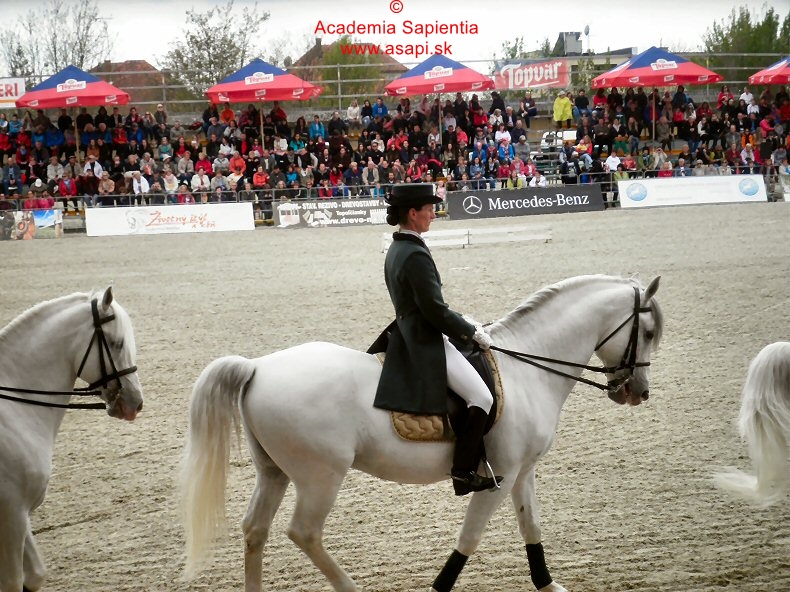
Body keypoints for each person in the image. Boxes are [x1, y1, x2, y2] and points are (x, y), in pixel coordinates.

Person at [373, 183, 502, 497]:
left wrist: (459, 319)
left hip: (407, 328)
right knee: (482, 398)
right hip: (423, 337)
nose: (433, 214)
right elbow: (433, 308)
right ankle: (463, 471)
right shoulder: (414, 253)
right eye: (429, 209)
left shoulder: (398, 247)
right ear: (412, 213)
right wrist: (470, 332)